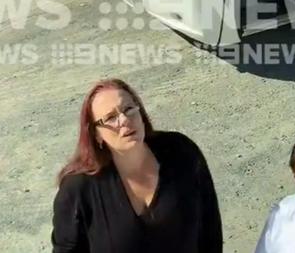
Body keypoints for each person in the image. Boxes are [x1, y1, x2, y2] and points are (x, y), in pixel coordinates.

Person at [51, 78, 223, 253]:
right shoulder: (78, 188)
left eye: (129, 109)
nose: (124, 120)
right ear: (97, 135)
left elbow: (210, 228)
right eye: (110, 117)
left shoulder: (181, 152)